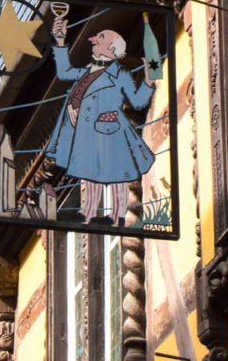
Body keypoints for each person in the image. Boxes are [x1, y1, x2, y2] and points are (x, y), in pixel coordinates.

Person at [46, 15, 155, 223]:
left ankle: (117, 215)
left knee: (118, 173)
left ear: (112, 49)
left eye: (100, 38)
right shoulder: (88, 71)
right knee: (88, 171)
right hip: (87, 130)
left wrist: (148, 82)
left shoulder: (120, 74)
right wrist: (60, 43)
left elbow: (138, 101)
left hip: (112, 127)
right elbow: (64, 71)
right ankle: (88, 211)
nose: (94, 40)